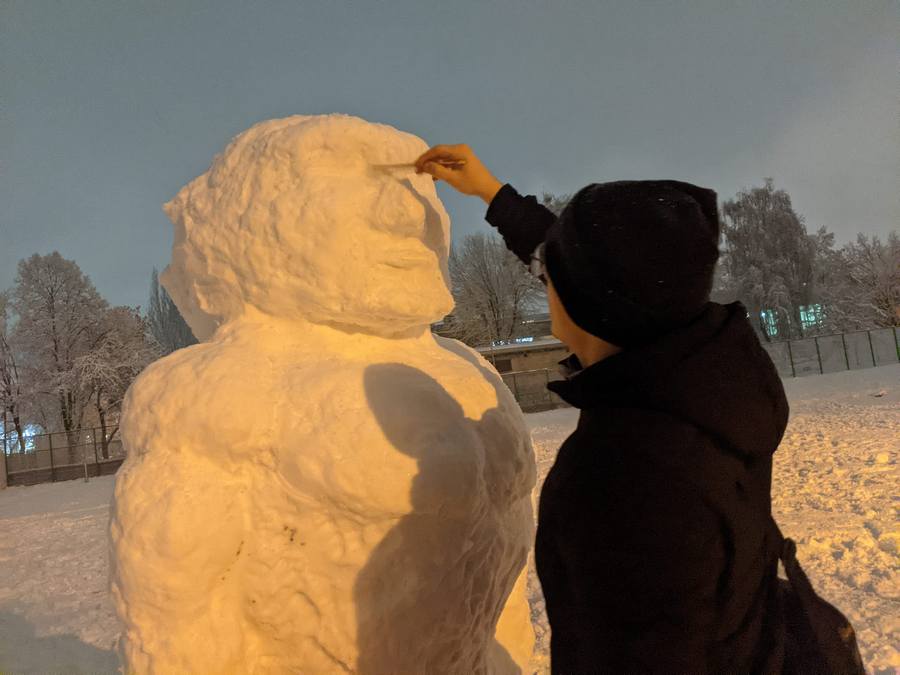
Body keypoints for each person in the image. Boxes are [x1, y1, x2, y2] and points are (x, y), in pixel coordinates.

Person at [414, 145, 790, 673]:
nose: (544, 278)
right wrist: (492, 193)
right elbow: (603, 273)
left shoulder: (624, 479)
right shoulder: (713, 377)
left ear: (590, 300)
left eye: (552, 271)